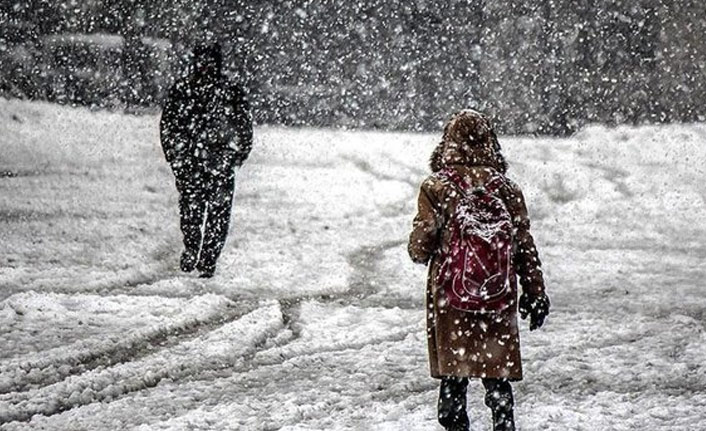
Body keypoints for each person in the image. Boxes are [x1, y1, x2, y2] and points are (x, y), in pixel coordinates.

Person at [408, 110, 550, 431]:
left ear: (448, 143)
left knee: (454, 380)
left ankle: (456, 423)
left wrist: (420, 247)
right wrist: (535, 292)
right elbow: (524, 246)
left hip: (451, 298)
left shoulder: (436, 187)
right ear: (491, 143)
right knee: (497, 379)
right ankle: (503, 422)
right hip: (497, 297)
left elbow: (422, 242)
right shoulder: (507, 189)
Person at [160, 42, 253, 278]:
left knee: (216, 215)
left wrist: (234, 156)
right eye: (202, 62)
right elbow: (168, 126)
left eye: (209, 62)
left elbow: (244, 128)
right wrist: (176, 156)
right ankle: (193, 249)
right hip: (194, 163)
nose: (205, 67)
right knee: (192, 211)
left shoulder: (228, 92)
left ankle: (208, 258)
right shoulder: (184, 91)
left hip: (217, 163)